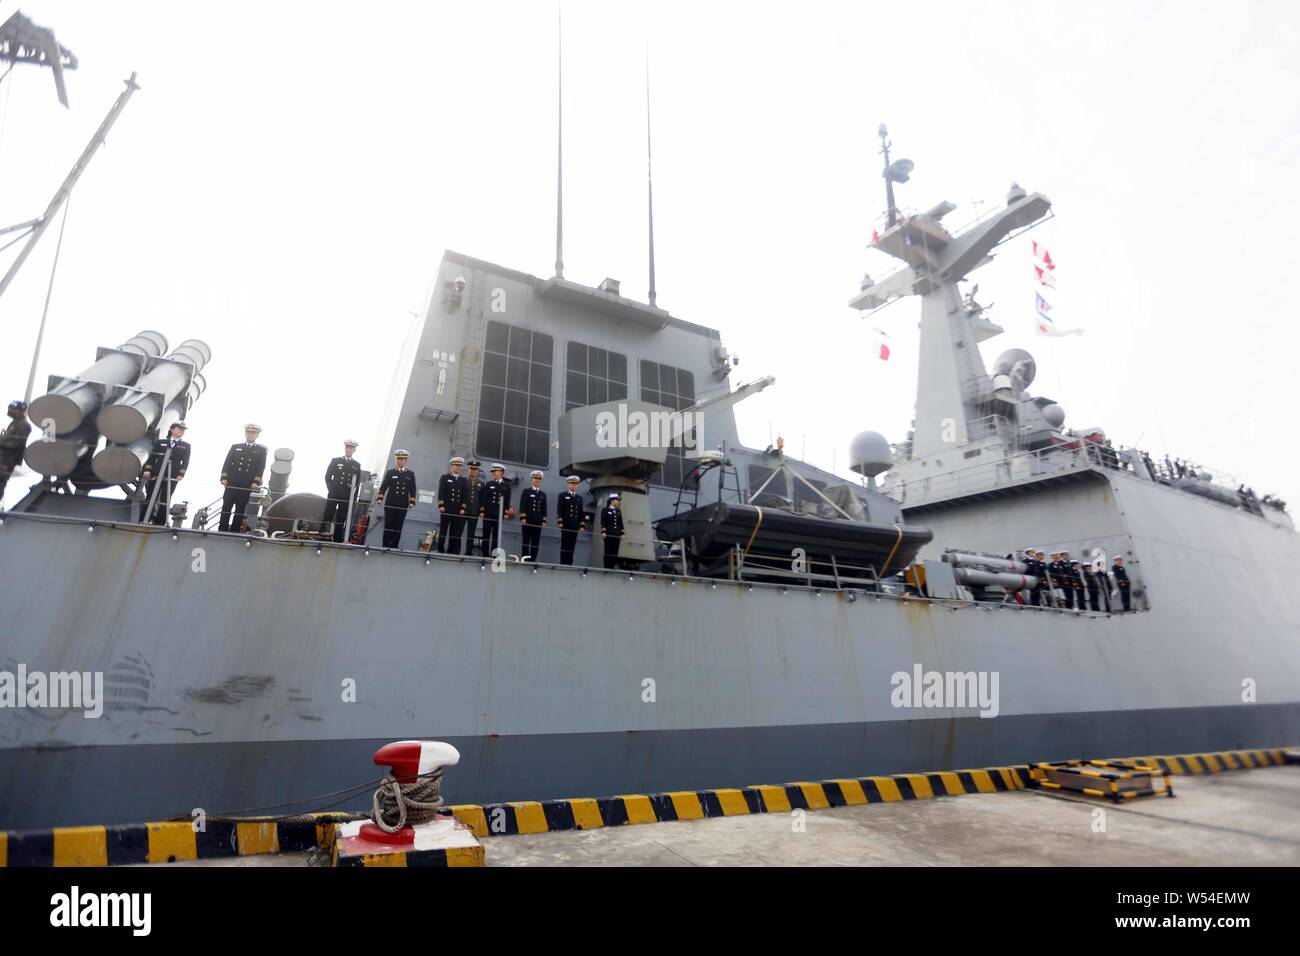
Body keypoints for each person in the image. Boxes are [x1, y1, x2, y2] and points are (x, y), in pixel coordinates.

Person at [218, 424, 268, 532]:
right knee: (226, 506)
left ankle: (234, 530)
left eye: (253, 433)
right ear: (245, 434)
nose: (250, 435)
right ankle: (222, 528)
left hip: (247, 483)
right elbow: (227, 463)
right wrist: (224, 477)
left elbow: (261, 467)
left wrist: (256, 481)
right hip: (232, 481)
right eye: (249, 433)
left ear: (257, 435)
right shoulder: (235, 447)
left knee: (240, 508)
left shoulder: (260, 450)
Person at [141, 421, 192, 525]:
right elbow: (152, 457)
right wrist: (147, 470)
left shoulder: (186, 446)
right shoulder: (161, 442)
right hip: (157, 473)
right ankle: (144, 519)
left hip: (172, 475)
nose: (181, 431)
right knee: (151, 497)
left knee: (166, 498)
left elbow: (185, 462)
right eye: (179, 428)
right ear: (172, 429)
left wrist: (181, 475)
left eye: (183, 429)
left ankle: (160, 522)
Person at [323, 440, 362, 543]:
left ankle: (337, 538)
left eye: (351, 448)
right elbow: (327, 477)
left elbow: (357, 481)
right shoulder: (335, 461)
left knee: (341, 517)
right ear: (345, 449)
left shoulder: (356, 465)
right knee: (328, 512)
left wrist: (350, 491)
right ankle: (322, 533)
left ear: (354, 450)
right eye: (347, 448)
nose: (348, 450)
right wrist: (331, 489)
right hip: (334, 492)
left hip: (345, 494)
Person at [376, 450, 417, 549]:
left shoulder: (410, 474)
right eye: (398, 459)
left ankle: (394, 545)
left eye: (402, 459)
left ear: (405, 461)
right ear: (396, 460)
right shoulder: (391, 472)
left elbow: (413, 489)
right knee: (388, 525)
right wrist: (380, 498)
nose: (400, 461)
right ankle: (385, 545)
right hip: (390, 503)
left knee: (398, 526)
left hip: (402, 504)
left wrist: (412, 502)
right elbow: (383, 486)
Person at [0, 400, 32, 502]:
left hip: (7, 461)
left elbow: (16, 444)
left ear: (20, 411)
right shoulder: (15, 423)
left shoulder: (23, 425)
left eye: (12, 408)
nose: (9, 410)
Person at [436, 456, 469, 554]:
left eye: (460, 466)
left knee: (453, 532)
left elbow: (464, 495)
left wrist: (463, 508)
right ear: (452, 466)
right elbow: (441, 492)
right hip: (446, 508)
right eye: (456, 465)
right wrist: (441, 505)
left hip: (457, 510)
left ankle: (450, 550)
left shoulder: (463, 480)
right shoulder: (445, 478)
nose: (458, 467)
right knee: (443, 530)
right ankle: (440, 549)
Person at [479, 463, 512, 557]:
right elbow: (484, 498)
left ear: (501, 472)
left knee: (496, 536)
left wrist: (505, 512)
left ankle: (494, 554)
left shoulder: (506, 486)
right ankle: (485, 553)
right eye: (493, 472)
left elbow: (507, 500)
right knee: (486, 534)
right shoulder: (489, 484)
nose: (493, 473)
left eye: (495, 471)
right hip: (488, 513)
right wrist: (482, 511)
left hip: (499, 514)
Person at [557, 475, 586, 565]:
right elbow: (560, 509)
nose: (573, 486)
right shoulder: (563, 495)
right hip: (566, 524)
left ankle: (569, 563)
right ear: (568, 484)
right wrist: (560, 521)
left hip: (575, 525)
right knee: (565, 544)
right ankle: (563, 563)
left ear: (577, 485)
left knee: (572, 545)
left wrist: (582, 525)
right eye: (572, 484)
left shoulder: (579, 498)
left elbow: (581, 513)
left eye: (575, 484)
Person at [517, 470, 547, 561]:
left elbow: (544, 509)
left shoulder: (542, 494)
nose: (537, 480)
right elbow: (522, 505)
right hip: (527, 520)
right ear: (532, 479)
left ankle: (533, 559)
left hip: (538, 521)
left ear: (541, 481)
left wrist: (544, 520)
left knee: (535, 542)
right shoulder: (526, 492)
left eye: (539, 479)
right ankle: (525, 558)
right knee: (526, 540)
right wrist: (522, 517)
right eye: (535, 478)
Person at [462, 460, 485, 555]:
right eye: (471, 469)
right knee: (458, 532)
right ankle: (455, 551)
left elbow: (482, 498)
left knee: (471, 534)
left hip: (474, 512)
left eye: (475, 469)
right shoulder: (463, 481)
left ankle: (468, 552)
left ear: (478, 471)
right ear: (468, 470)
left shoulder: (481, 484)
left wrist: (481, 511)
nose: (473, 471)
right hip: (463, 511)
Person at [600, 493, 625, 570]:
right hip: (608, 534)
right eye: (616, 500)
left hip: (616, 534)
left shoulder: (618, 511)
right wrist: (603, 532)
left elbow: (620, 523)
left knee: (615, 552)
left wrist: (622, 533)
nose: (618, 502)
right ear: (611, 501)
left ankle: (612, 567)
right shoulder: (605, 510)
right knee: (608, 551)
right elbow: (603, 522)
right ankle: (607, 567)